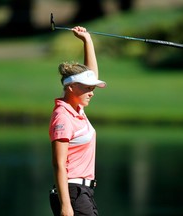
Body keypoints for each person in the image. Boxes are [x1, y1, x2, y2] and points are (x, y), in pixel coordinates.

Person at [49, 26, 106, 216]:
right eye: (87, 88)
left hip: (84, 193)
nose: (91, 93)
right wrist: (65, 206)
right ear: (72, 87)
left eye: (93, 88)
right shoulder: (63, 116)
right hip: (72, 193)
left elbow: (92, 75)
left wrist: (87, 40)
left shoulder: (77, 109)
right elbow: (59, 163)